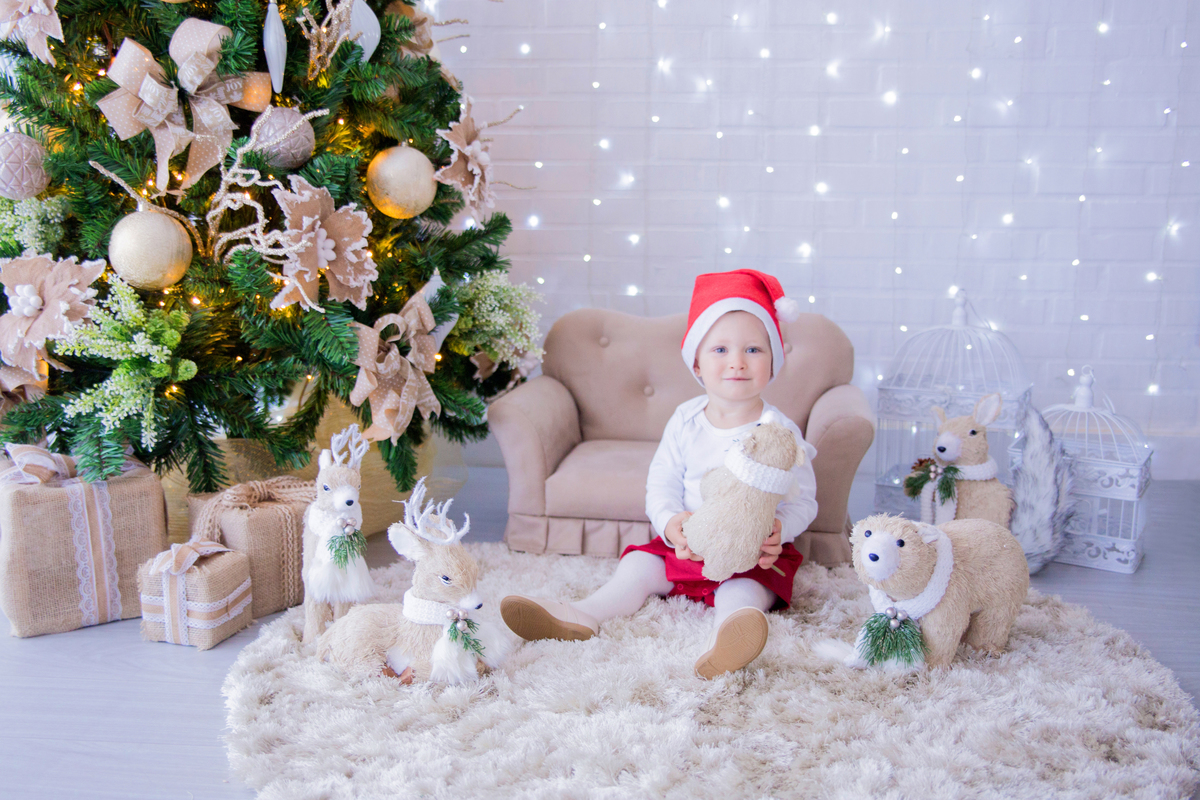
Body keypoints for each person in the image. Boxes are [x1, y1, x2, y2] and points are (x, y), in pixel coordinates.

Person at [500, 269, 818, 678]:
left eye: (754, 350)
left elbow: (804, 500)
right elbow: (661, 483)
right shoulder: (686, 420)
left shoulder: (780, 432)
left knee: (744, 589)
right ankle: (583, 614)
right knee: (638, 569)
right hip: (688, 545)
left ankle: (730, 636)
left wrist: (778, 530)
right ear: (697, 364)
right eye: (720, 350)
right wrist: (671, 525)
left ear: (773, 361)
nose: (737, 362)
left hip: (751, 551)